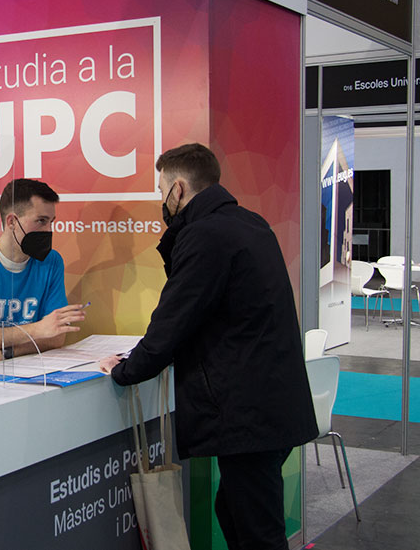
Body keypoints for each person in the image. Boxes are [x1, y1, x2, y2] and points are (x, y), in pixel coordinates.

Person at [99, 143, 317, 550]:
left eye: (161, 189)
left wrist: (125, 370)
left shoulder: (205, 235)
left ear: (178, 188)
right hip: (272, 402)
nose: (161, 199)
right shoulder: (248, 222)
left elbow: (174, 319)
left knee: (256, 531)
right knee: (234, 511)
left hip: (249, 413)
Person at [0, 178, 86, 364]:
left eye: (51, 222)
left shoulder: (52, 261)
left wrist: (7, 353)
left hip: (27, 367)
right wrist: (37, 330)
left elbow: (56, 336)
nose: (48, 230)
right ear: (12, 221)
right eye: (41, 221)